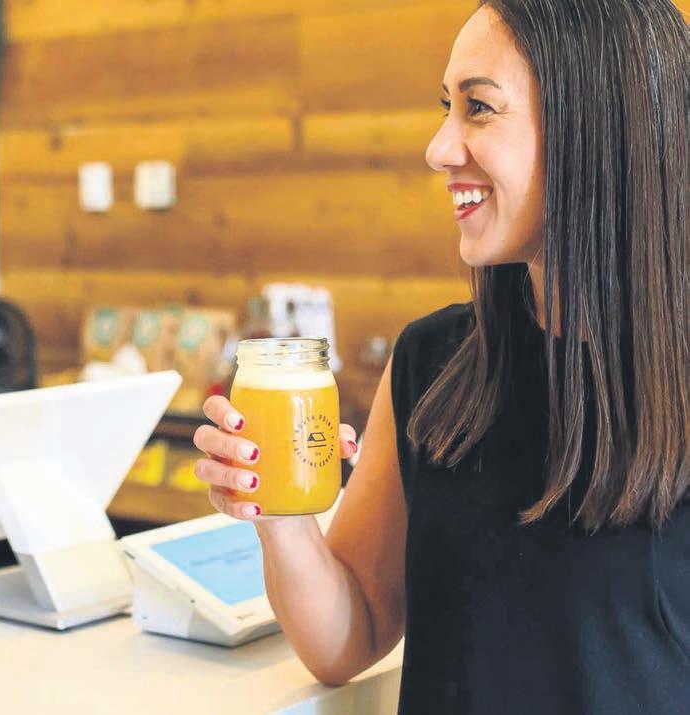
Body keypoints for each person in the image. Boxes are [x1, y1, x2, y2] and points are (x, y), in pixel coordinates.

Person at [192, 0, 689, 712]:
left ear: (597, 123)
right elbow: (346, 640)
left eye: (478, 108)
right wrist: (279, 513)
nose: (438, 148)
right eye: (445, 107)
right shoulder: (431, 363)